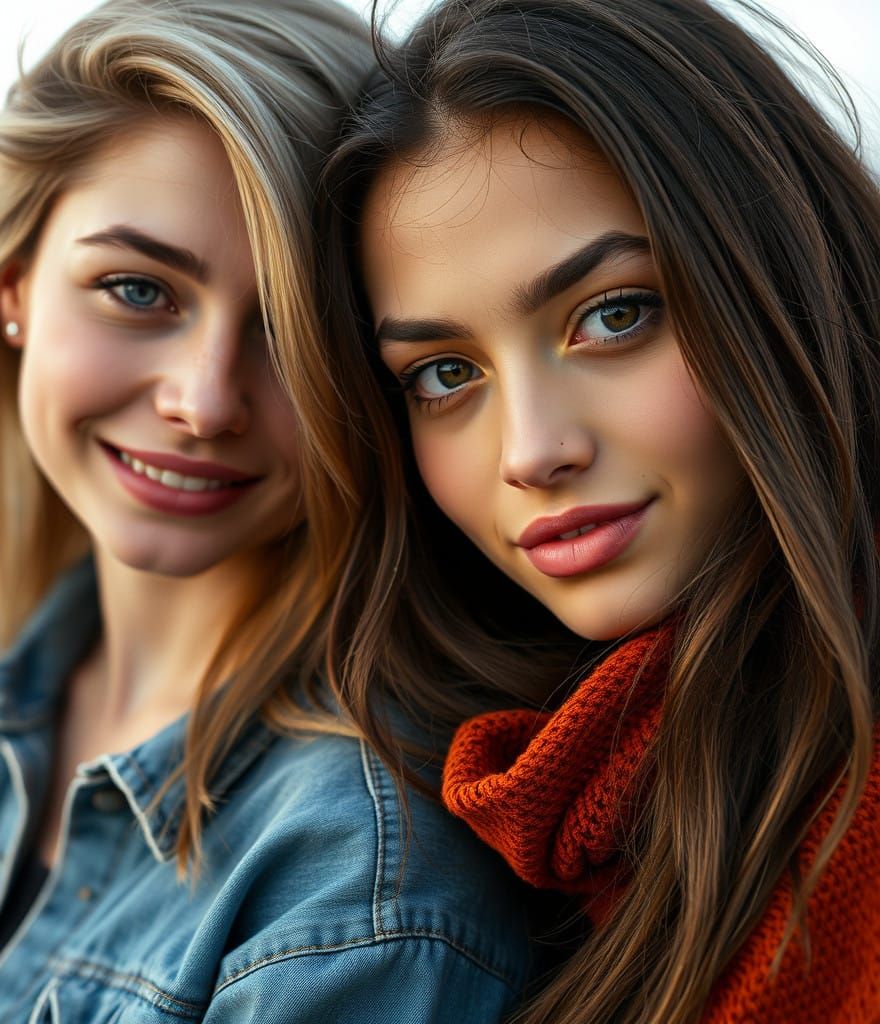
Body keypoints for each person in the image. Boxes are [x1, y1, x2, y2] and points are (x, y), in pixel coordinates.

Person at [0, 2, 540, 1021]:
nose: (205, 399)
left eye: (293, 329)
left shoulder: (357, 883)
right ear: (15, 289)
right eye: (138, 291)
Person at [317, 0, 880, 1020]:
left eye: (612, 315)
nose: (533, 452)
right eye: (445, 373)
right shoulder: (525, 818)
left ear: (781, 277)